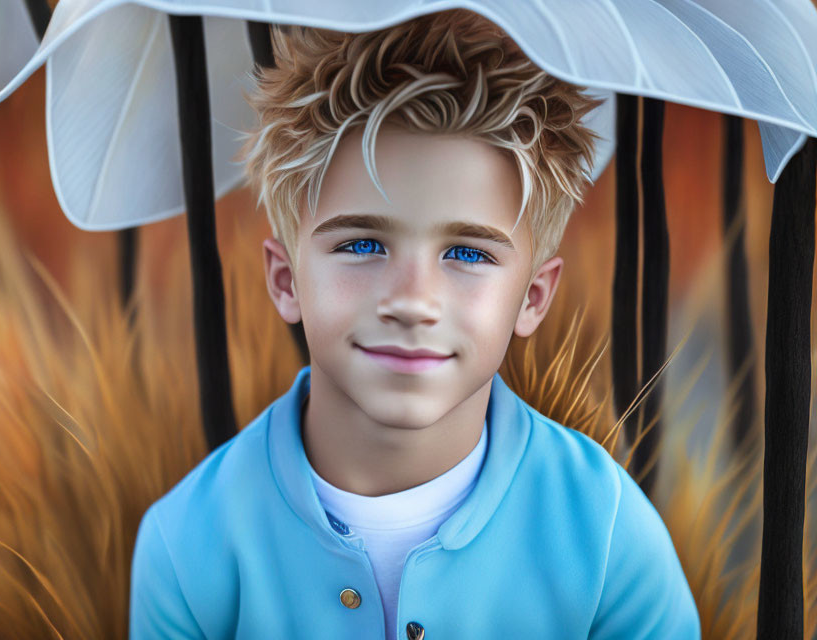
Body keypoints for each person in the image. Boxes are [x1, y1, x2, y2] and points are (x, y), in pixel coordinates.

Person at [129, 10, 700, 639]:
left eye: (468, 254)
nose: (413, 301)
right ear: (286, 280)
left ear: (532, 298)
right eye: (363, 245)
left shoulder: (611, 539)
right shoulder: (185, 546)